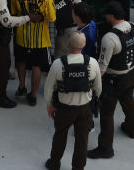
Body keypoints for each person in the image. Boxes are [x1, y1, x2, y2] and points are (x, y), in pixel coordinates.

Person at [88, 0, 134, 159]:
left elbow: (101, 68)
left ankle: (105, 147)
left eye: (106, 14)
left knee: (107, 112)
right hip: (131, 74)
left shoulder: (109, 38)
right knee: (128, 100)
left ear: (111, 16)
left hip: (113, 79)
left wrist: (91, 84)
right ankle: (132, 129)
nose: (105, 16)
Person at [43, 31, 103, 170]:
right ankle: (78, 167)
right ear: (84, 45)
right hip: (85, 109)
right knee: (82, 140)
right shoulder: (93, 63)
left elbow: (48, 89)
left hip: (64, 108)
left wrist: (50, 106)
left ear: (68, 44)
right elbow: (98, 88)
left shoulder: (58, 64)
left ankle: (54, 163)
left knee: (60, 136)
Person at [9, 0, 57, 106]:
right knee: (37, 66)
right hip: (40, 39)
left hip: (21, 35)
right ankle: (33, 95)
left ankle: (22, 87)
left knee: (21, 61)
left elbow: (14, 11)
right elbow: (52, 18)